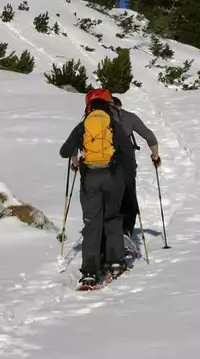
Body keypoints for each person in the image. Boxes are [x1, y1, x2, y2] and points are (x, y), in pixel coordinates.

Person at [59, 89, 137, 288]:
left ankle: (90, 272)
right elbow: (127, 151)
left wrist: (78, 156)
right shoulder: (113, 124)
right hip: (113, 178)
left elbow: (64, 151)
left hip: (90, 179)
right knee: (112, 217)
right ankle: (116, 261)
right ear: (107, 105)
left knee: (92, 224)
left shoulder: (84, 124)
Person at [111, 96, 161, 240]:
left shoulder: (96, 118)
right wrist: (155, 156)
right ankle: (125, 231)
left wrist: (75, 161)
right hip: (126, 165)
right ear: (120, 106)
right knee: (129, 198)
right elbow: (150, 137)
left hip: (100, 166)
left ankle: (106, 234)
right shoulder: (129, 117)